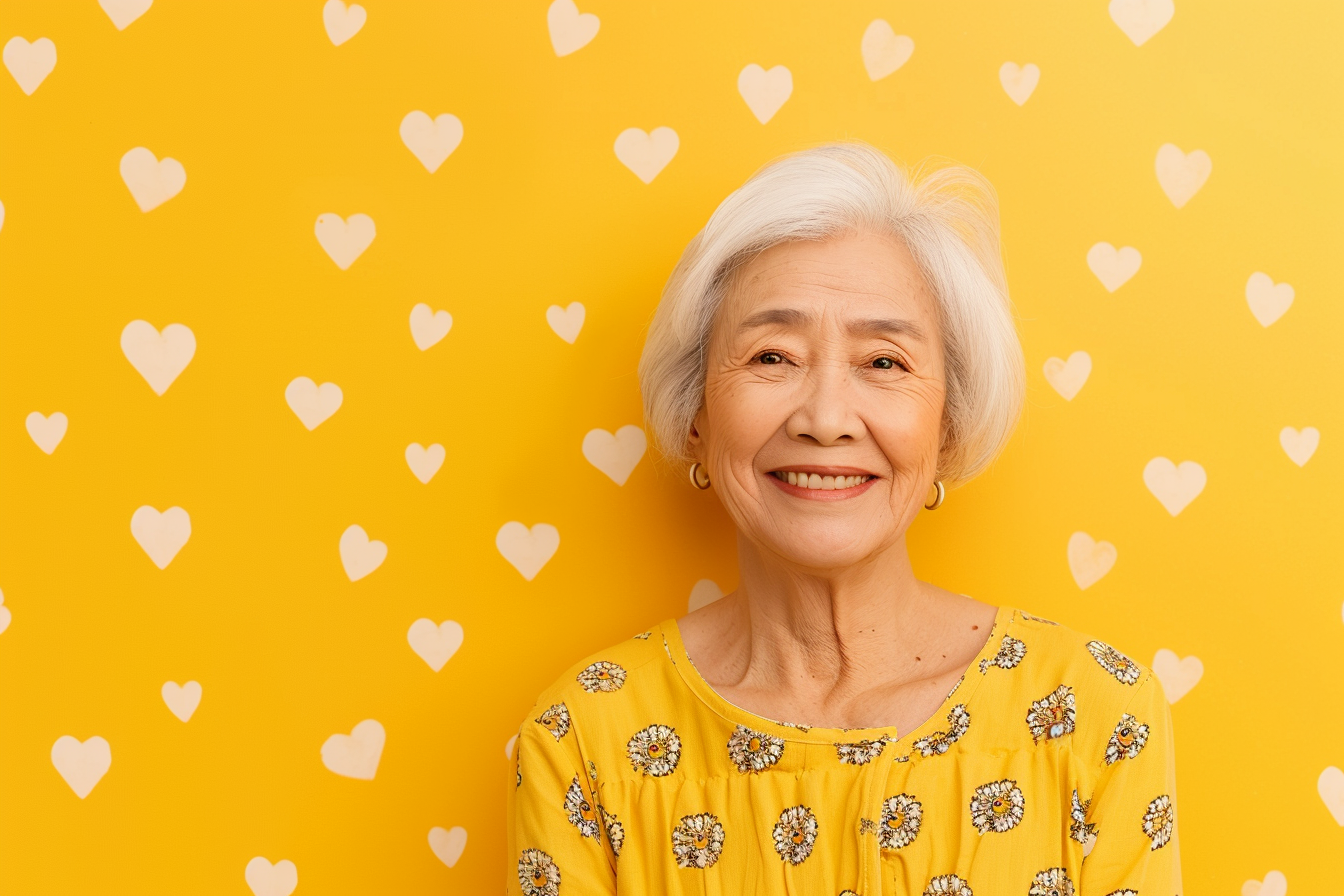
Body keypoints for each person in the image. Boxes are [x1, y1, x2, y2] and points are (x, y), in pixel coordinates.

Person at [506, 142, 1180, 896]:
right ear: (695, 413)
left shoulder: (1094, 715)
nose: (826, 419)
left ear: (947, 426)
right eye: (771, 356)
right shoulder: (586, 738)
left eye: (884, 362)